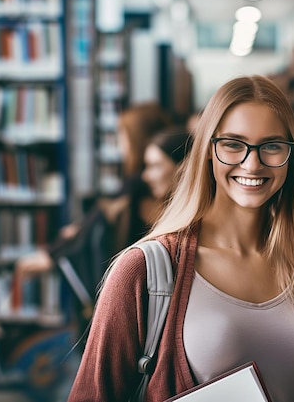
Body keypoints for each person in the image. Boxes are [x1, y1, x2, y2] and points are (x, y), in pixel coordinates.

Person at [67, 75, 294, 402]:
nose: (252, 163)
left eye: (271, 145)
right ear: (208, 151)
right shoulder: (145, 270)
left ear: (291, 156)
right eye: (233, 144)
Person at [15, 102, 175, 324]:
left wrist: (53, 253)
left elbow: (103, 214)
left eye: (122, 136)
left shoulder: (138, 186)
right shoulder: (144, 185)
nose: (120, 145)